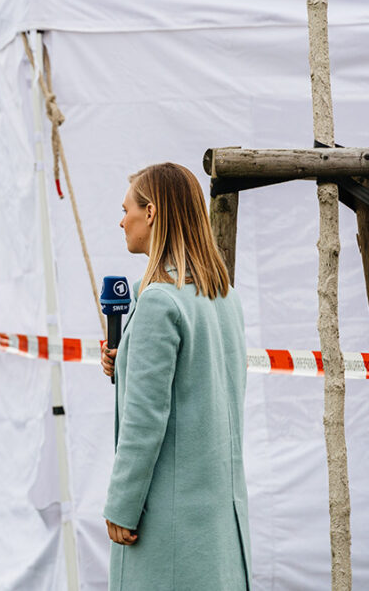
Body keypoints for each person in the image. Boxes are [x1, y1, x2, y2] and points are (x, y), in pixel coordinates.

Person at [101, 162, 252, 590]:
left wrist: (122, 504)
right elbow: (200, 386)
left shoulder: (158, 303)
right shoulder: (223, 296)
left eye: (126, 207)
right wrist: (124, 363)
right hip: (219, 519)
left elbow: (145, 419)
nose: (121, 219)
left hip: (170, 524)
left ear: (151, 213)